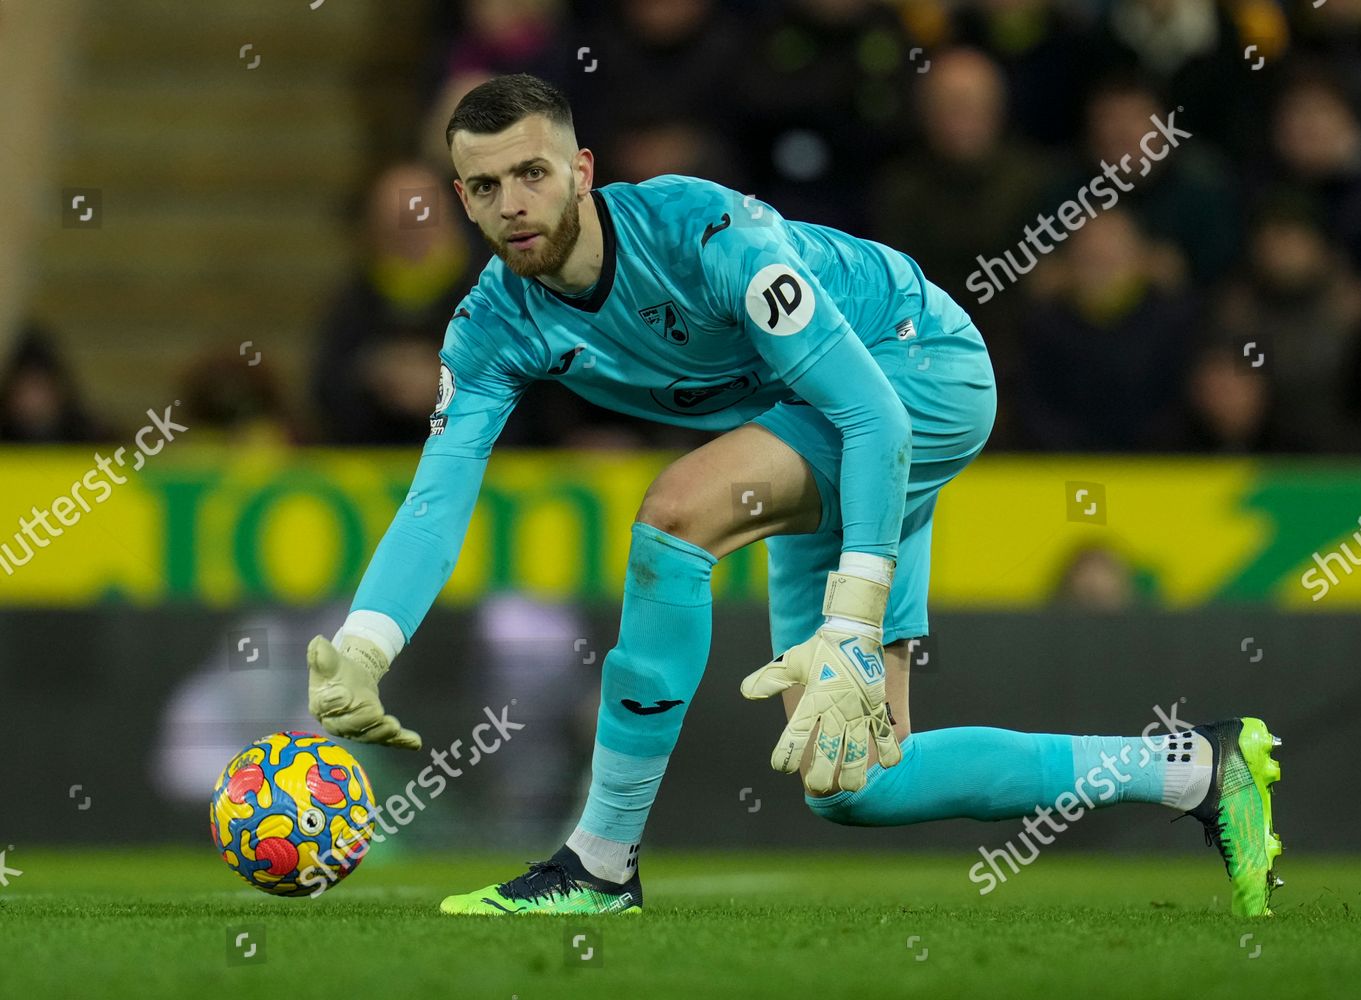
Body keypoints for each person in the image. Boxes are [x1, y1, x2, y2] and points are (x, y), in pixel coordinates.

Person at [303, 74, 1283, 918]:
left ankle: (599, 862)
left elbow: (876, 419)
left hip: (917, 372)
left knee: (676, 514)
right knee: (857, 779)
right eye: (483, 186)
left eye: (531, 172)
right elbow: (438, 498)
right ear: (464, 202)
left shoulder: (709, 234)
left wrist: (852, 621)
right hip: (822, 424)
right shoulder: (489, 328)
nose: (511, 202)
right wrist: (365, 645)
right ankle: (1198, 767)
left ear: (583, 169)